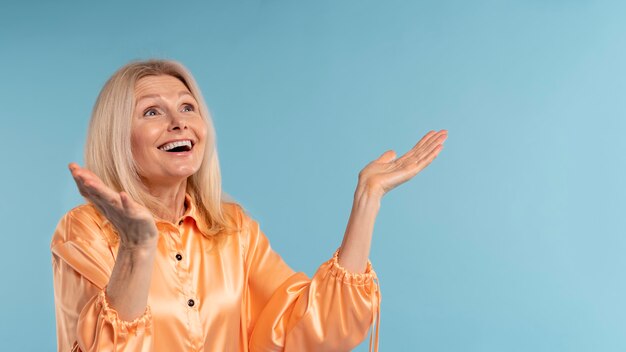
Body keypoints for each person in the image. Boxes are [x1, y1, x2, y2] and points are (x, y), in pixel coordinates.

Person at [50, 59, 448, 352]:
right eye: (152, 111)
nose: (179, 122)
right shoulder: (84, 232)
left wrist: (366, 200)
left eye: (188, 107)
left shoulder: (233, 229)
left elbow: (311, 330)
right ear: (118, 137)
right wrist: (137, 247)